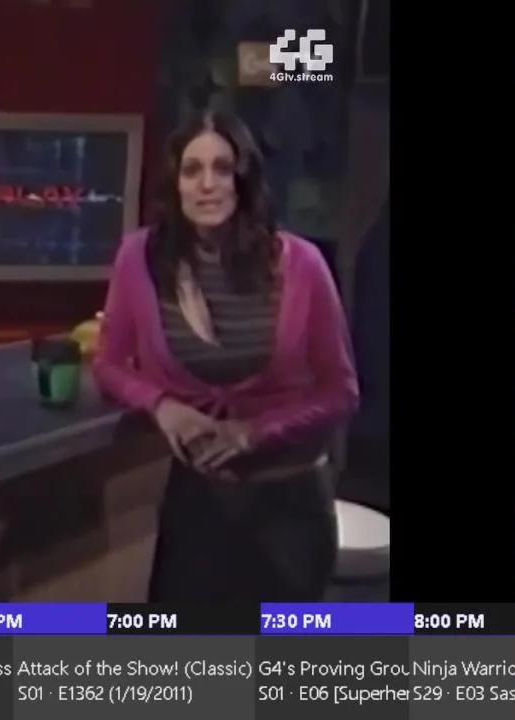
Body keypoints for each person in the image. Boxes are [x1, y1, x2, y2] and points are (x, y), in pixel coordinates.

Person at [92, 107, 359, 603]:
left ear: (244, 178)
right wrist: (163, 407)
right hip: (197, 503)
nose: (207, 185)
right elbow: (108, 363)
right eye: (192, 170)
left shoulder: (300, 263)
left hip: (288, 506)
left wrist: (250, 432)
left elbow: (341, 392)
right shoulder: (140, 258)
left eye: (222, 168)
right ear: (175, 182)